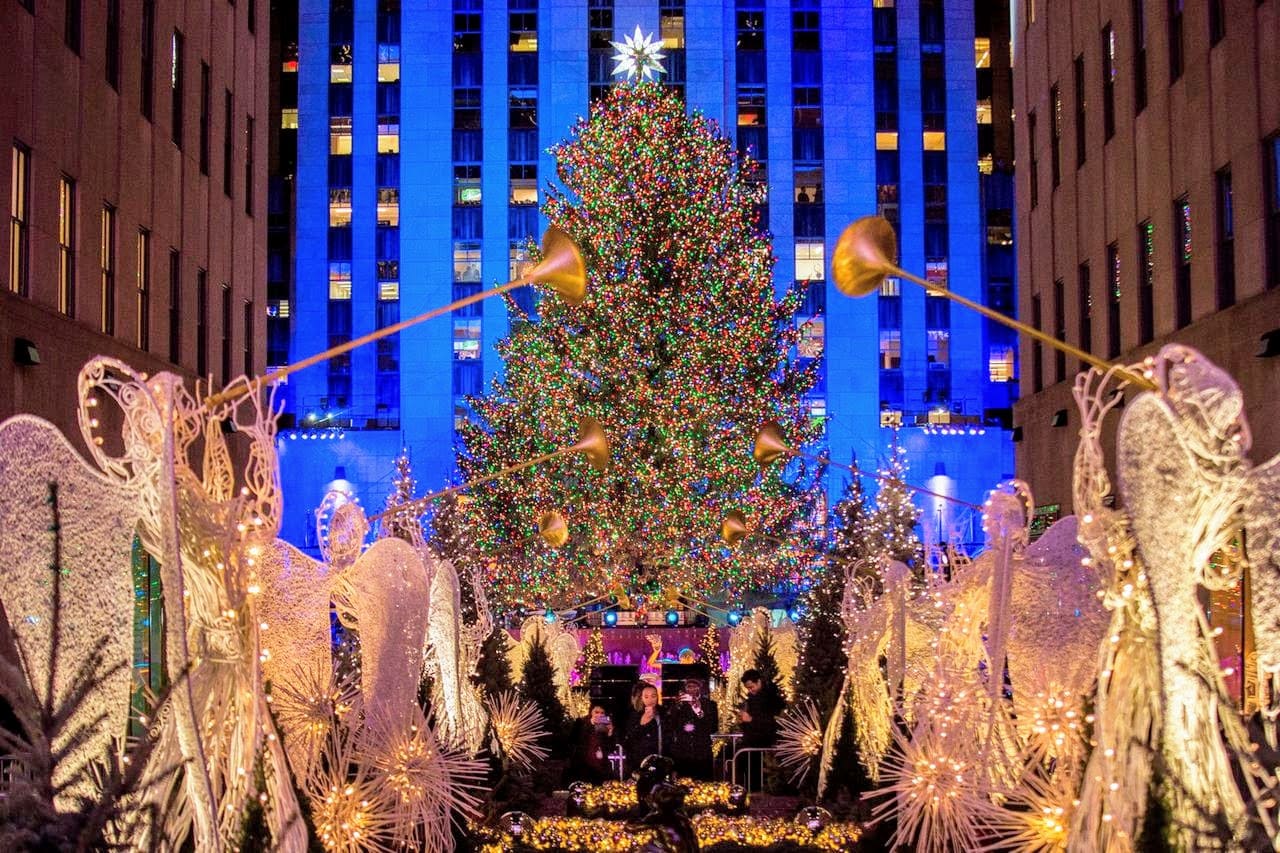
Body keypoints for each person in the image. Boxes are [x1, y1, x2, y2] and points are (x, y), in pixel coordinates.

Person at [666, 678, 717, 780]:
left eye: (695, 686)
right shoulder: (679, 703)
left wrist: (697, 708)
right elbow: (670, 725)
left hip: (702, 753)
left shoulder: (709, 704)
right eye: (689, 686)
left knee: (703, 785)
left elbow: (712, 727)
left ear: (700, 688)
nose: (692, 689)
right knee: (683, 785)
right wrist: (677, 706)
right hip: (683, 753)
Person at [567, 704, 618, 783]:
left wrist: (610, 733)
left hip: (601, 768)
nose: (599, 715)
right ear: (591, 713)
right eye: (596, 712)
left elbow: (611, 748)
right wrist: (591, 723)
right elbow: (575, 740)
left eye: (602, 713)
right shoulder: (581, 722)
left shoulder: (605, 727)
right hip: (583, 767)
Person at [622, 683, 664, 776]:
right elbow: (629, 739)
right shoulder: (635, 714)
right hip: (639, 762)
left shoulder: (663, 713)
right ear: (642, 698)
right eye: (646, 697)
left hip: (660, 761)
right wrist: (643, 722)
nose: (650, 700)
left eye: (653, 696)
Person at [737, 668, 779, 748]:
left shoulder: (770, 698)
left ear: (759, 682)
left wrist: (751, 719)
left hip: (762, 743)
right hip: (752, 742)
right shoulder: (751, 699)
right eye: (748, 688)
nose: (750, 690)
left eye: (751, 687)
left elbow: (770, 723)